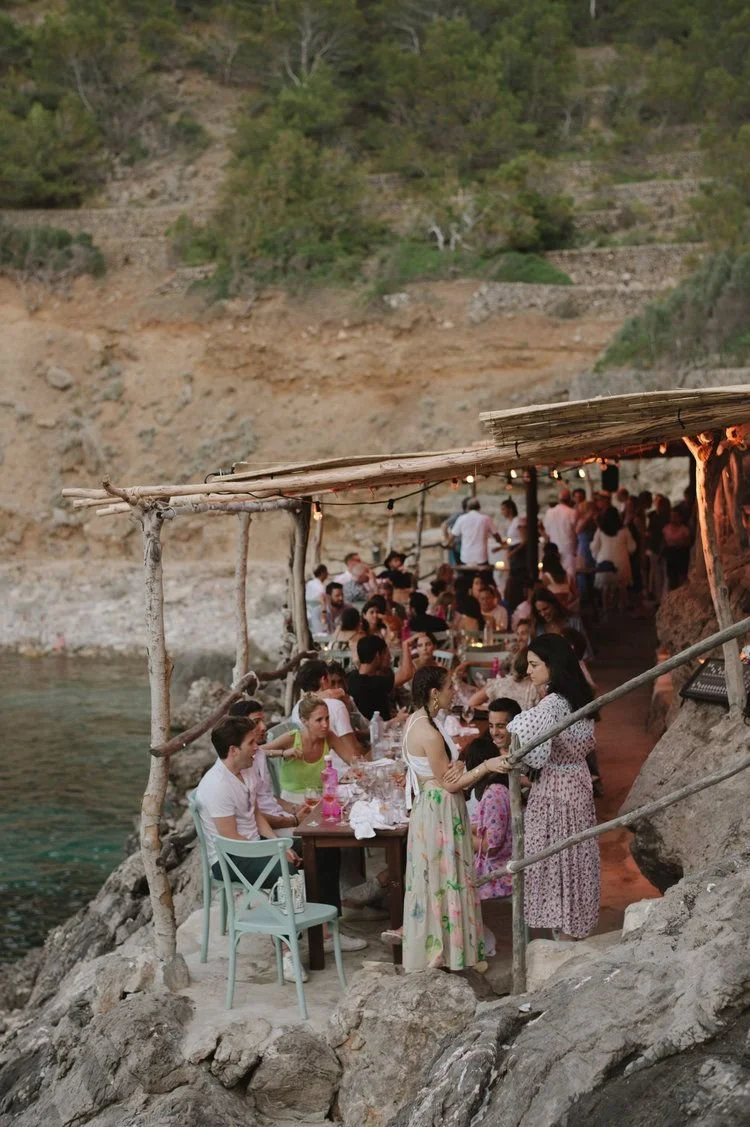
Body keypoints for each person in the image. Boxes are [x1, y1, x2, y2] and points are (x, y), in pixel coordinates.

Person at [195, 716, 364, 971]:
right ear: (233, 750)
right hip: (230, 857)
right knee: (286, 874)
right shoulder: (216, 786)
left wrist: (277, 843)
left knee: (323, 850)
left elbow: (255, 815)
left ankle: (325, 932)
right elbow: (230, 839)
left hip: (256, 844)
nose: (257, 747)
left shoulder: (245, 771)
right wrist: (276, 853)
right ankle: (288, 951)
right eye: (251, 743)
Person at [401, 665, 509, 972]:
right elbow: (448, 783)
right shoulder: (427, 731)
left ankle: (446, 951)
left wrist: (458, 768)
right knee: (445, 878)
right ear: (435, 693)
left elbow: (444, 773)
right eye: (450, 687)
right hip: (440, 808)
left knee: (438, 877)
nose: (455, 692)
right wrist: (486, 766)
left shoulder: (419, 720)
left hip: (433, 805)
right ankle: (445, 955)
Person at [503, 633, 600, 940]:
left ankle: (563, 936)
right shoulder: (581, 695)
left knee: (557, 862)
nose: (529, 671)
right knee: (574, 861)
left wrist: (512, 735)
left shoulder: (552, 703)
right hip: (579, 784)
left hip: (556, 789)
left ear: (552, 665)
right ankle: (573, 930)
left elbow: (522, 729)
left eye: (534, 664)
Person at [466, 697, 521, 956]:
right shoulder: (493, 765)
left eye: (502, 725)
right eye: (491, 725)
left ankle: (477, 939)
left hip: (505, 862)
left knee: (449, 875)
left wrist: (462, 834)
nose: (495, 732)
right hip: (501, 845)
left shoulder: (499, 786)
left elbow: (492, 846)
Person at [228, 698, 307, 830]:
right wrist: (294, 820)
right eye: (256, 722)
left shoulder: (258, 754)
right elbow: (253, 817)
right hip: (266, 829)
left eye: (262, 720)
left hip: (279, 817)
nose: (264, 727)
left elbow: (267, 797)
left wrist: (295, 807)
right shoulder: (237, 766)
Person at [291, 660, 365, 767]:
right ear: (323, 679)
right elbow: (353, 753)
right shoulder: (336, 705)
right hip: (341, 770)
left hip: (311, 768)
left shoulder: (297, 707)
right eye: (330, 678)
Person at [347, 634, 414, 720]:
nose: (389, 658)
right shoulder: (372, 683)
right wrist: (405, 645)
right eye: (386, 653)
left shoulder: (352, 676)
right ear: (378, 655)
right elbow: (407, 674)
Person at [591, 507, 637, 613]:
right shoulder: (624, 530)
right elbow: (631, 547)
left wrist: (597, 556)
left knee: (606, 587)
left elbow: (594, 547)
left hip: (604, 561)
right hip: (621, 560)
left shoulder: (600, 530)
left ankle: (606, 609)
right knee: (622, 586)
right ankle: (622, 608)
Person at [449, 498, 503, 568]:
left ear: (467, 508)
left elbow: (452, 536)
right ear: (479, 507)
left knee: (466, 577)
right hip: (481, 557)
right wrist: (501, 542)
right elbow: (496, 535)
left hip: (466, 557)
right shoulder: (486, 518)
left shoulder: (461, 518)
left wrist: (447, 544)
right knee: (485, 577)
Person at [543, 488, 578, 581]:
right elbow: (576, 531)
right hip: (569, 548)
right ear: (570, 499)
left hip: (554, 550)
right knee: (570, 578)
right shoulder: (572, 512)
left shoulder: (549, 513)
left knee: (554, 578)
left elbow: (547, 532)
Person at [662, 507, 692, 590]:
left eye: (675, 516)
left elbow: (688, 543)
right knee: (671, 578)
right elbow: (664, 542)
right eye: (672, 516)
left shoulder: (684, 530)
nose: (673, 518)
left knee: (681, 577)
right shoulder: (666, 528)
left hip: (681, 555)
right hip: (670, 555)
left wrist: (680, 544)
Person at [305, 564, 329, 634]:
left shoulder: (309, 583)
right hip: (316, 614)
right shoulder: (321, 587)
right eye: (326, 572)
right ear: (322, 573)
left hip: (307, 612)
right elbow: (323, 602)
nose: (328, 574)